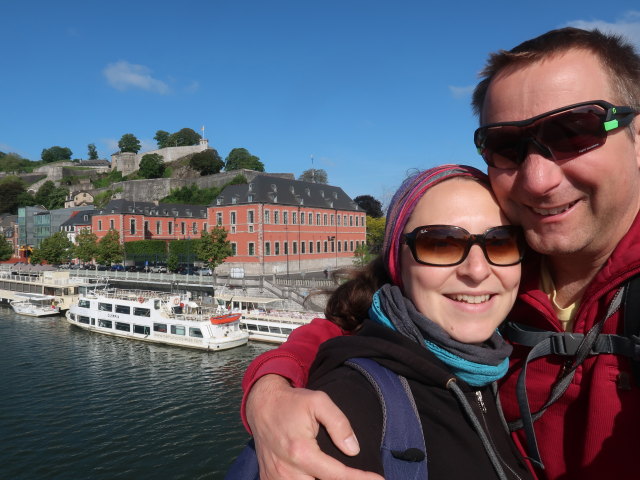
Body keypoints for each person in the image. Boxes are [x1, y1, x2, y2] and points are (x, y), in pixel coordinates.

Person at [241, 27, 640, 480]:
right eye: (507, 147)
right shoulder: (507, 268)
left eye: (573, 132)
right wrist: (271, 386)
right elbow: (358, 326)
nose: (537, 180)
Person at [304, 164, 532, 479]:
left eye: (501, 242)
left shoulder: (503, 362)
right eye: (441, 243)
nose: (477, 271)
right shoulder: (349, 404)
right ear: (398, 262)